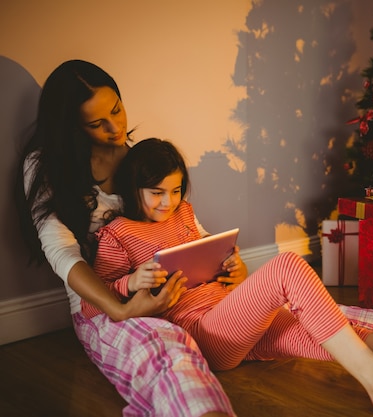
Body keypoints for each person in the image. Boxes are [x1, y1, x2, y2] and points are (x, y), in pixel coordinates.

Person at [84, 137, 373, 415]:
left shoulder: (184, 215)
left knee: (335, 334)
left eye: (176, 190)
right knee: (291, 265)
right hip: (205, 332)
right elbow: (100, 297)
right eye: (157, 192)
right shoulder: (117, 233)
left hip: (234, 315)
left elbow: (204, 257)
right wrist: (130, 283)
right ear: (133, 188)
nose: (168, 201)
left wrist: (230, 266)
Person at [15, 60, 235, 417]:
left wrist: (222, 259)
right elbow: (60, 248)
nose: (116, 127)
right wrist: (121, 308)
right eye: (97, 123)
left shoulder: (137, 157)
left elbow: (178, 222)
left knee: (282, 303)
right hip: (103, 305)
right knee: (167, 350)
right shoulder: (45, 165)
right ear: (71, 126)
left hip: (174, 292)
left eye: (117, 109)